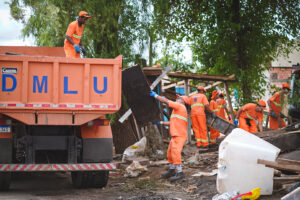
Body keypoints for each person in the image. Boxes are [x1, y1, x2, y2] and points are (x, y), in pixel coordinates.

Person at [150, 91, 188, 182]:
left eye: (179, 98)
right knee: (170, 153)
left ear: (183, 101)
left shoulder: (180, 106)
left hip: (179, 135)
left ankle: (180, 173)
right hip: (176, 135)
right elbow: (172, 123)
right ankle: (171, 170)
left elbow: (166, 101)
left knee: (175, 152)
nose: (177, 98)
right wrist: (161, 123)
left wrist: (155, 95)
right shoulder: (177, 110)